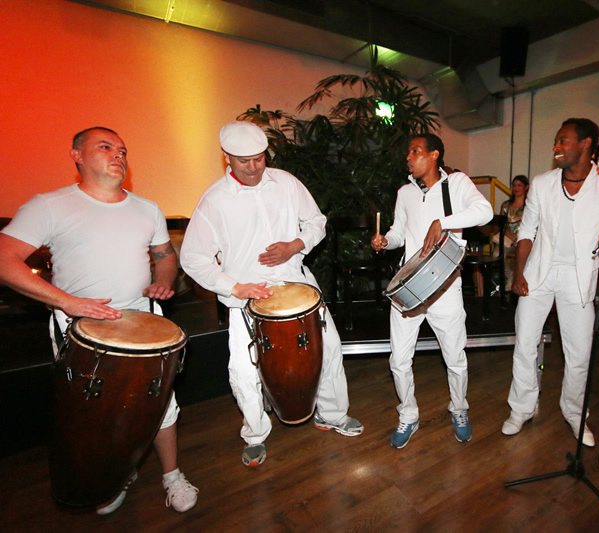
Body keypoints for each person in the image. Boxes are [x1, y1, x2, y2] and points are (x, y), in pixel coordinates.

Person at [0, 127, 198, 514]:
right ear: (77, 155)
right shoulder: (49, 206)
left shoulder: (147, 208)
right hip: (82, 332)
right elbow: (5, 260)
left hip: (143, 324)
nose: (118, 155)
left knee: (161, 404)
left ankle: (172, 474)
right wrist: (68, 302)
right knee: (100, 414)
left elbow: (165, 255)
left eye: (122, 150)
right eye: (105, 147)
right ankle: (116, 475)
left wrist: (163, 280)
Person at [180, 121, 362, 467]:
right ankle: (255, 434)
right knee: (245, 370)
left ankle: (333, 415)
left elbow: (316, 222)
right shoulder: (214, 200)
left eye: (259, 158)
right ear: (226, 157)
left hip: (298, 284)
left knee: (329, 351)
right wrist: (235, 287)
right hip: (247, 298)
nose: (253, 167)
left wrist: (295, 244)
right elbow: (193, 258)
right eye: (244, 160)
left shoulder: (287, 183)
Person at [502, 118, 599, 447]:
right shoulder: (542, 183)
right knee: (525, 344)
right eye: (556, 141)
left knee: (579, 352)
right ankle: (521, 408)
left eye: (563, 140)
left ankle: (575, 413)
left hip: (579, 277)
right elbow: (527, 231)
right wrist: (520, 272)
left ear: (585, 144)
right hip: (539, 272)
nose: (556, 147)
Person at [371, 134, 493, 449]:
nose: (409, 157)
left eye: (416, 151)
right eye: (408, 152)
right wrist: (386, 241)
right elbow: (399, 233)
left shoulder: (457, 183)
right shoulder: (404, 193)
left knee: (455, 357)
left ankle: (459, 409)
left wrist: (444, 222)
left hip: (445, 285)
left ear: (434, 154)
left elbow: (485, 211)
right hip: (410, 285)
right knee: (399, 359)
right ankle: (408, 414)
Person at [494, 175, 529, 290]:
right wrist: (512, 237)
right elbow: (502, 225)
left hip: (525, 239)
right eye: (514, 185)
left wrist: (520, 239)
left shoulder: (530, 205)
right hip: (508, 238)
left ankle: (523, 280)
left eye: (519, 185)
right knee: (496, 254)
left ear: (526, 187)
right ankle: (510, 277)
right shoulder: (506, 205)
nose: (516, 188)